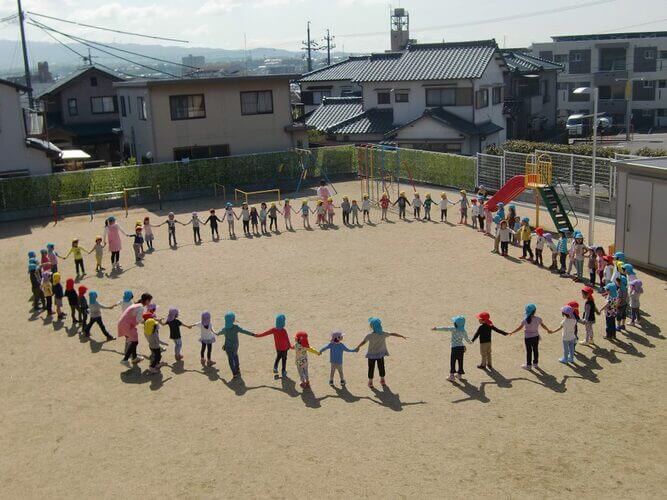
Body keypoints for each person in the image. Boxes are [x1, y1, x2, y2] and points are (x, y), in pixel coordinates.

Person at [355, 317, 407, 388]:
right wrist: (401, 336)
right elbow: (392, 334)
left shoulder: (369, 335)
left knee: (371, 368)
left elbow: (363, 342)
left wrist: (358, 347)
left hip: (371, 355)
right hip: (380, 354)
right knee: (381, 367)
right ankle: (382, 380)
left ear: (372, 326)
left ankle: (370, 382)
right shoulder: (383, 334)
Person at [508, 304, 553, 370]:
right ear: (534, 311)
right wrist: (548, 330)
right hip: (536, 337)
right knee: (535, 350)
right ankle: (535, 364)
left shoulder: (525, 320)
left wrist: (512, 332)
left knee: (529, 351)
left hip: (528, 338)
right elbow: (543, 325)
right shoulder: (538, 319)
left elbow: (519, 328)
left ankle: (528, 365)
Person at [118, 293, 153, 366]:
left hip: (124, 323)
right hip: (127, 325)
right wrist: (148, 322)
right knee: (134, 342)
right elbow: (139, 319)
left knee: (134, 341)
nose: (150, 303)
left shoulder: (137, 305)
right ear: (146, 301)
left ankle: (134, 358)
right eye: (149, 301)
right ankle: (125, 360)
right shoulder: (140, 307)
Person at [432, 316, 472, 381]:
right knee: (460, 361)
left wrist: (436, 328)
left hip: (454, 348)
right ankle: (459, 375)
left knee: (453, 362)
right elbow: (467, 339)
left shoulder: (453, 329)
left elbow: (445, 328)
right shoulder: (464, 331)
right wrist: (471, 342)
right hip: (461, 348)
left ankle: (452, 376)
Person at [217, 312, 254, 377]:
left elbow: (218, 333)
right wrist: (253, 334)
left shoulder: (225, 329)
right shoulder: (236, 327)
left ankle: (234, 373)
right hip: (235, 346)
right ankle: (237, 368)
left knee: (230, 359)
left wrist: (215, 333)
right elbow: (244, 331)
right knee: (235, 355)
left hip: (228, 347)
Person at [143, 309, 164, 374]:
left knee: (156, 356)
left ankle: (157, 364)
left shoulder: (147, 329)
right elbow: (158, 340)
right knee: (158, 356)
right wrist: (164, 343)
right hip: (155, 346)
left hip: (151, 346)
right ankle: (152, 367)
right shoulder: (154, 333)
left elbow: (152, 322)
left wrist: (157, 320)